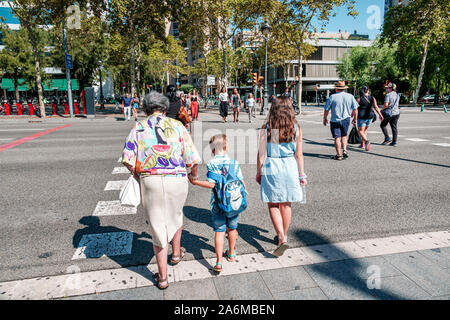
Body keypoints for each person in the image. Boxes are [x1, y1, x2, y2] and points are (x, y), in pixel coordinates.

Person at [121, 91, 201, 290]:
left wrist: (139, 173)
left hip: (151, 180)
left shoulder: (139, 127)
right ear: (165, 109)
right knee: (176, 214)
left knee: (157, 226)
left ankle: (163, 277)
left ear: (146, 109)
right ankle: (176, 254)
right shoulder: (178, 126)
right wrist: (194, 176)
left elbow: (127, 158)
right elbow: (193, 158)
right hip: (177, 179)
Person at [256, 97, 307, 257]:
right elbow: (299, 154)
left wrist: (259, 172)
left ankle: (282, 237)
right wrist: (301, 174)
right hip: (289, 166)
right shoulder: (295, 128)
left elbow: (262, 154)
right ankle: (282, 236)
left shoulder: (268, 128)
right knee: (286, 204)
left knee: (273, 204)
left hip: (273, 166)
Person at [188, 134, 245, 273]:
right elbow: (242, 182)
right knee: (232, 229)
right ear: (226, 147)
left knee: (219, 232)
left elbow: (211, 185)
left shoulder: (212, 164)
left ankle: (219, 262)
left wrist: (196, 182)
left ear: (212, 150)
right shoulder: (234, 163)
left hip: (218, 204)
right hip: (233, 203)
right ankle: (231, 253)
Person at [323, 81, 359, 160]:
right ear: (344, 89)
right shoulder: (350, 96)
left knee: (337, 137)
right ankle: (345, 150)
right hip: (346, 119)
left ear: (336, 89)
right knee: (344, 135)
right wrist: (355, 119)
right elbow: (355, 109)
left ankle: (338, 155)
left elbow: (326, 109)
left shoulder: (332, 97)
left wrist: (325, 118)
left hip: (335, 119)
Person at [356, 86, 383, 151]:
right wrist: (380, 114)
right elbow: (376, 107)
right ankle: (362, 144)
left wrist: (353, 116)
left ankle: (366, 141)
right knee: (364, 130)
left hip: (361, 116)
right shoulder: (372, 98)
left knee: (360, 131)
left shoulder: (359, 98)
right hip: (370, 116)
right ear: (368, 91)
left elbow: (355, 108)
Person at [380, 82, 400, 147]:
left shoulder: (388, 95)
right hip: (396, 113)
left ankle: (387, 138)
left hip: (389, 113)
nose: (387, 89)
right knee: (394, 127)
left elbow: (386, 105)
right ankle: (394, 142)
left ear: (391, 88)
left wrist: (381, 110)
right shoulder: (397, 95)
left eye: (388, 88)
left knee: (382, 125)